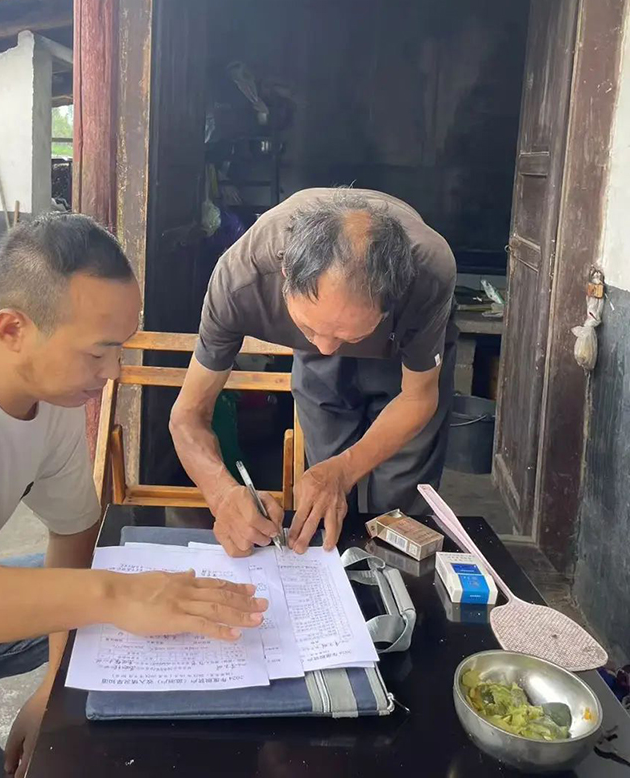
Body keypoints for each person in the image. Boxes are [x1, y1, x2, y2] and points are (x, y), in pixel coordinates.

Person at [0, 214, 266, 778]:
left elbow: (73, 533)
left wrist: (49, 694)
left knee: (140, 581)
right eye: (97, 353)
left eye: (120, 350)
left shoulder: (53, 397)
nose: (113, 372)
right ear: (13, 328)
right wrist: (115, 595)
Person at [170, 188, 457, 558]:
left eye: (348, 336)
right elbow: (187, 416)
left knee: (399, 497)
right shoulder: (240, 279)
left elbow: (418, 397)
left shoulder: (428, 272)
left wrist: (346, 469)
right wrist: (222, 494)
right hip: (320, 345)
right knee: (323, 487)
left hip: (403, 351)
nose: (326, 349)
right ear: (286, 275)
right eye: (308, 328)